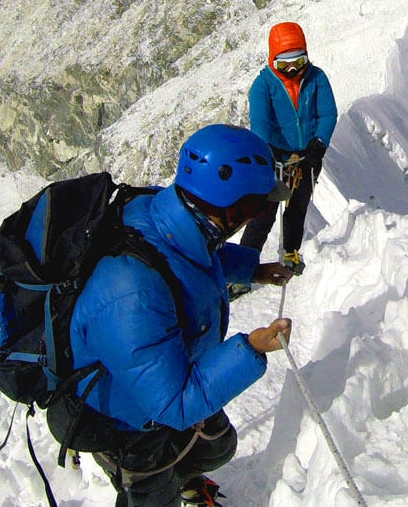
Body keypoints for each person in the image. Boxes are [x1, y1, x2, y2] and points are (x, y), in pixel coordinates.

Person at [47, 124, 298, 507]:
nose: (259, 215)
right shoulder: (132, 290)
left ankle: (179, 480)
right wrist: (251, 348)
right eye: (256, 205)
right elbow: (172, 405)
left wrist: (252, 270)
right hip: (126, 412)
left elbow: (194, 257)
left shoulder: (176, 214)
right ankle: (146, 482)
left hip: (168, 374)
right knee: (151, 496)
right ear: (227, 204)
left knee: (216, 448)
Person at [242, 21, 337, 272]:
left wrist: (318, 145)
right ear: (272, 60)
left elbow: (328, 113)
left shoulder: (316, 78)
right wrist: (267, 153)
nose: (293, 69)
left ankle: (291, 251)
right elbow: (260, 122)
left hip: (306, 157)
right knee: (263, 212)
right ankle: (243, 263)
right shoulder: (263, 85)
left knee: (298, 205)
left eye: (298, 61)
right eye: (284, 64)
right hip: (274, 157)